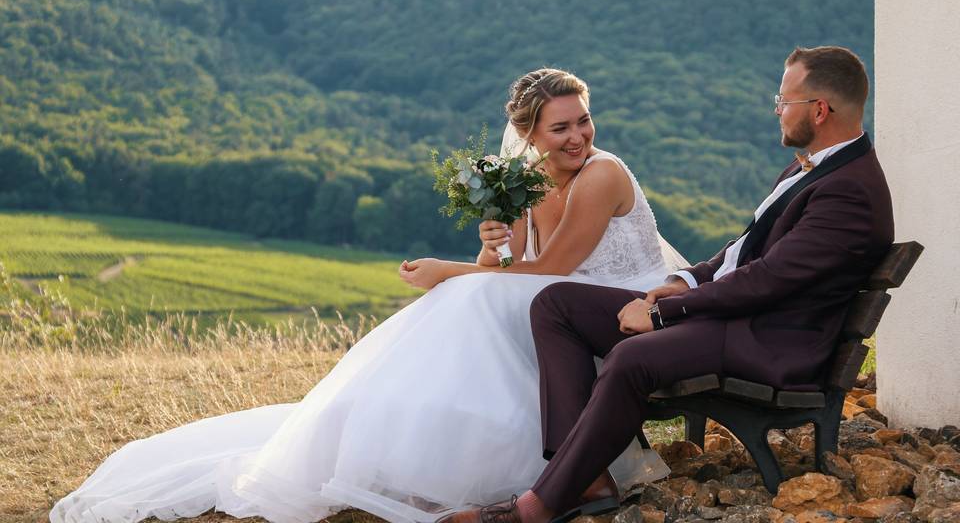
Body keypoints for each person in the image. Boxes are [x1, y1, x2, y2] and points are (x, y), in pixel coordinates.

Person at [51, 68, 680, 523]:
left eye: (585, 120)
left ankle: (494, 461)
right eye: (561, 127)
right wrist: (488, 250)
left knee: (466, 299)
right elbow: (520, 264)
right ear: (530, 137)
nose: (579, 137)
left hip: (617, 295)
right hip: (558, 296)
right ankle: (415, 447)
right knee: (469, 299)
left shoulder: (604, 172)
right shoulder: (528, 179)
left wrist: (450, 271)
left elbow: (560, 270)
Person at [440, 46, 895, 523]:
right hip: (740, 320)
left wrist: (661, 314)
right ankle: (586, 478)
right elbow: (743, 251)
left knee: (631, 357)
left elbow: (770, 281)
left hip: (770, 340)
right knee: (557, 304)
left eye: (783, 101)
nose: (777, 110)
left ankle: (539, 506)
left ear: (819, 111)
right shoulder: (816, 166)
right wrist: (682, 282)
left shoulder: (848, 190)